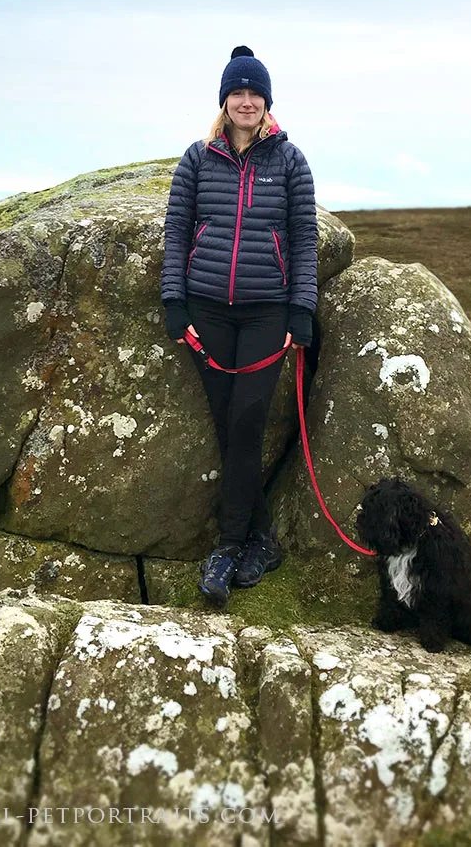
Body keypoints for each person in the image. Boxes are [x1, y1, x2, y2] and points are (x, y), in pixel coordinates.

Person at [161, 46, 319, 607]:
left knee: (247, 421)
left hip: (266, 312)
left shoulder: (290, 161)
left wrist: (300, 311)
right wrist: (174, 303)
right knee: (227, 427)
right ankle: (260, 539)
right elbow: (177, 229)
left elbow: (304, 238)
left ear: (266, 102)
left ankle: (228, 548)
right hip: (206, 310)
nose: (246, 101)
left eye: (255, 94)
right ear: (224, 101)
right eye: (238, 93)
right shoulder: (197, 159)